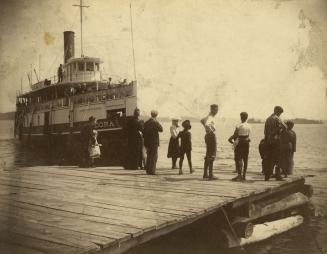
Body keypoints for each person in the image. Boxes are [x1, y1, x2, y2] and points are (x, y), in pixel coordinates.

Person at [263, 106, 287, 181]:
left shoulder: (268, 119)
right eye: (280, 113)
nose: (280, 114)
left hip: (268, 141)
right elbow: (285, 127)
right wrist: (279, 130)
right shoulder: (277, 118)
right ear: (278, 112)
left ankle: (267, 175)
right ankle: (278, 175)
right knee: (278, 158)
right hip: (276, 141)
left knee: (269, 158)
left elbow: (265, 131)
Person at [228, 112, 251, 181]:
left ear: (241, 117)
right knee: (245, 159)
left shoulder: (239, 125)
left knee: (238, 159)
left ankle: (239, 175)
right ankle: (244, 175)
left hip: (240, 143)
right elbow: (248, 135)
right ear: (247, 118)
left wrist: (231, 140)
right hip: (246, 143)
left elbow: (235, 135)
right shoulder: (249, 125)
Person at [200, 104, 219, 180]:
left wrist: (206, 127)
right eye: (216, 110)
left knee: (208, 154)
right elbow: (207, 124)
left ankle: (205, 173)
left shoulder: (208, 116)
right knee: (212, 155)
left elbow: (202, 120)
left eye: (217, 110)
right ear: (212, 110)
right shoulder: (210, 117)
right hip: (211, 136)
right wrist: (211, 129)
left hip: (207, 135)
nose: (217, 111)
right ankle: (210, 174)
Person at [143, 110, 163, 175]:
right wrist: (157, 121)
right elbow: (161, 129)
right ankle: (152, 171)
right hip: (154, 142)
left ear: (151, 114)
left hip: (147, 142)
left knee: (149, 156)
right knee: (154, 156)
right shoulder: (155, 122)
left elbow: (143, 132)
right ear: (156, 116)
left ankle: (148, 170)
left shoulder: (146, 122)